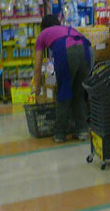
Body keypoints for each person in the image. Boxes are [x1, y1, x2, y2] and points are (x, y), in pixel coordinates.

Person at [32, 14, 92, 143]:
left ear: (43, 27)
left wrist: (37, 87)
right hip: (87, 51)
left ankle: (60, 133)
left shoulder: (43, 35)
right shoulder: (67, 28)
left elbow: (37, 66)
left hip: (67, 52)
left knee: (64, 93)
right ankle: (82, 130)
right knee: (79, 93)